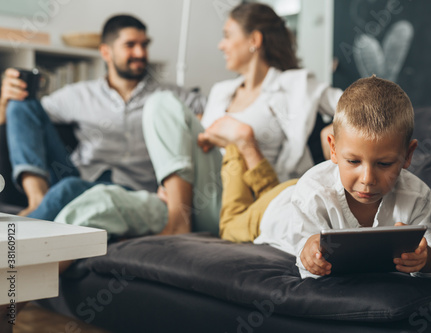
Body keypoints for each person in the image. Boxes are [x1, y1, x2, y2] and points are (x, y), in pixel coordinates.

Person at [52, 2, 343, 238]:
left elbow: (358, 108)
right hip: (200, 199)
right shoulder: (221, 92)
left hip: (248, 202)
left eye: (227, 35)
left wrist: (244, 138)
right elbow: (195, 142)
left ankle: (178, 222)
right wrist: (172, 178)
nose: (221, 44)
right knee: (98, 203)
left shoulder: (296, 84)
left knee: (160, 99)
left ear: (253, 40)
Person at [218, 76, 431, 279]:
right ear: (333, 148)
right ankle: (239, 148)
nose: (367, 179)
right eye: (353, 161)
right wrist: (308, 254)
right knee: (230, 224)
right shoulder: (311, 192)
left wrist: (424, 257)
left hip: (300, 188)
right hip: (275, 208)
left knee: (272, 188)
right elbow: (306, 259)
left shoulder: (418, 196)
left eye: (384, 164)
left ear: (408, 155)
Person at [0, 15, 203, 221]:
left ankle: (20, 234)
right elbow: (25, 119)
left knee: (66, 190)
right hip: (81, 176)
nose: (140, 53)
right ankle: (37, 200)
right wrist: (4, 101)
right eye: (130, 45)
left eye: (144, 45)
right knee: (21, 102)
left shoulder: (170, 96)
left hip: (133, 190)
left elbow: (218, 112)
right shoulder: (79, 94)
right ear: (106, 52)